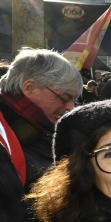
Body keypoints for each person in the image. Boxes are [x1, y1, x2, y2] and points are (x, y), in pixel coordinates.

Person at [0, 48, 82, 189]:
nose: (71, 107)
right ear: (30, 88)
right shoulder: (5, 136)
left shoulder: (43, 130)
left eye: (74, 100)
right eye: (65, 97)